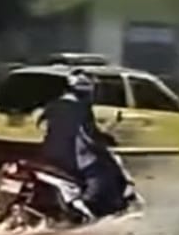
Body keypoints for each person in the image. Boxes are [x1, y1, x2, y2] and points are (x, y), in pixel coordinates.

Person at [38, 70, 128, 218]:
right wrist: (105, 140)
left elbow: (42, 127)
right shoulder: (81, 108)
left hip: (47, 156)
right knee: (102, 171)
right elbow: (88, 134)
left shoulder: (53, 105)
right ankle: (89, 204)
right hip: (70, 158)